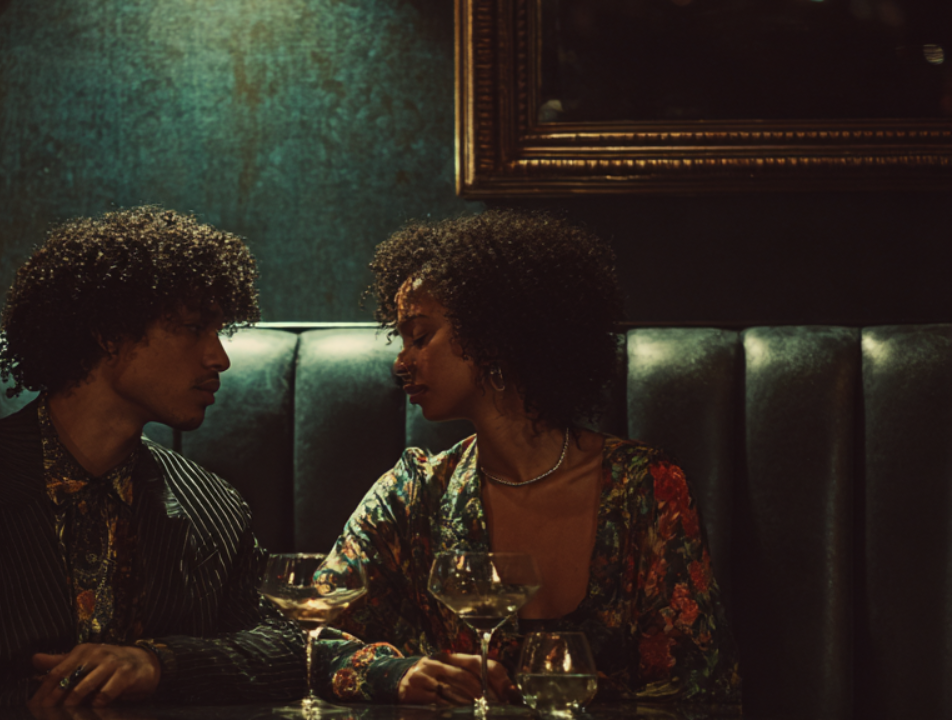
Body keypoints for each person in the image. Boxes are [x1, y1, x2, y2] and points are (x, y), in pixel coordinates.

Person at [0, 207, 306, 717]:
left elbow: (289, 651)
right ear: (109, 333)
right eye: (194, 327)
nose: (218, 358)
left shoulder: (213, 506)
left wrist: (157, 664)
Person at [314, 210, 741, 707]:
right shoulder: (413, 495)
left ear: (492, 335)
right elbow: (307, 637)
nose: (400, 363)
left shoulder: (645, 487)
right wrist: (395, 673)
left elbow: (701, 689)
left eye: (419, 336)